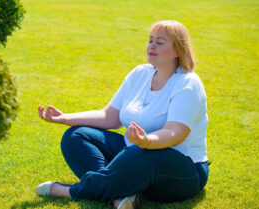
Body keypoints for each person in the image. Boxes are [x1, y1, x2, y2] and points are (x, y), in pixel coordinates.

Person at [36, 20, 210, 209]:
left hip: (183, 169)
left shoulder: (188, 83)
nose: (152, 46)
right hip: (133, 155)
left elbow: (176, 133)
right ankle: (119, 197)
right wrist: (65, 118)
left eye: (160, 42)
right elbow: (109, 117)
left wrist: (147, 141)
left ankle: (69, 191)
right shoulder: (139, 74)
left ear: (178, 50)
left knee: (141, 153)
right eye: (150, 40)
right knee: (75, 136)